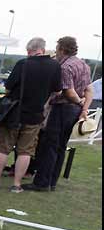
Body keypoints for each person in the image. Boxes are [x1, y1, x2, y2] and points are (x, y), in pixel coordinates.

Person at [0, 38, 62, 193]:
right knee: (25, 151)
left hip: (14, 114)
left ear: (29, 50)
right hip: (36, 115)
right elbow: (57, 90)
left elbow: (8, 88)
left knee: (3, 148)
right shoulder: (55, 66)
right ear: (43, 50)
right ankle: (17, 184)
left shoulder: (23, 64)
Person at [25, 36, 93, 192]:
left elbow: (68, 91)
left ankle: (42, 182)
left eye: (57, 48)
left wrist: (79, 102)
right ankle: (52, 181)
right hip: (74, 111)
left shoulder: (65, 67)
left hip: (63, 109)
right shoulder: (84, 65)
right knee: (61, 147)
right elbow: (89, 90)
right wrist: (83, 109)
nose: (56, 51)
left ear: (62, 49)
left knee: (50, 146)